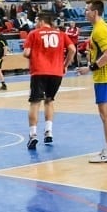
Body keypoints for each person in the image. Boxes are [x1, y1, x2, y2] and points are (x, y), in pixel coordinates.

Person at [22, 12, 76, 150]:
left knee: (34, 103)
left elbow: (26, 53)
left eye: (36, 20)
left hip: (39, 71)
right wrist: (65, 65)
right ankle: (48, 131)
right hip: (56, 72)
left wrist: (35, 54)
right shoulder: (61, 34)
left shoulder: (34, 34)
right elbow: (72, 49)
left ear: (41, 21)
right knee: (49, 100)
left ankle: (33, 135)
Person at [77, 0, 107, 163]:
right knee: (106, 114)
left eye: (87, 10)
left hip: (106, 75)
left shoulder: (99, 30)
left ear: (95, 12)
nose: (85, 12)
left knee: (106, 114)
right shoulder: (106, 27)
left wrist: (90, 68)